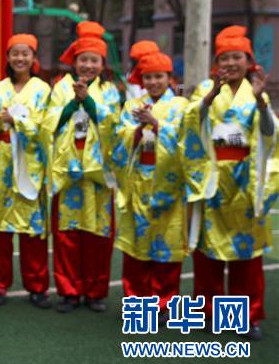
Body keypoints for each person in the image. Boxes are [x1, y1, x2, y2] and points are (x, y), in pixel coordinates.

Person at [181, 25, 278, 341]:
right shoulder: (205, 90)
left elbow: (269, 135)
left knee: (245, 259)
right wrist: (207, 100)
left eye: (237, 57)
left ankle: (245, 317)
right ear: (217, 62)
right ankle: (207, 312)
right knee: (208, 256)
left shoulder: (256, 93)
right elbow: (190, 126)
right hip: (213, 183)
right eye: (225, 57)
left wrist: (263, 105)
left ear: (248, 61)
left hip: (244, 184)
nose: (231, 63)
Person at [43, 21, 121, 314]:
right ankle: (69, 291)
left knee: (97, 235)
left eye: (94, 60)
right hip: (68, 172)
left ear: (102, 64)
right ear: (74, 62)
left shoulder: (110, 91)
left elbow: (114, 125)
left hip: (97, 173)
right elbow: (48, 124)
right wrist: (70, 104)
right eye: (83, 59)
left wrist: (87, 102)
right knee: (67, 235)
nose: (88, 65)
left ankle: (95, 291)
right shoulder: (61, 87)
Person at [0, 34, 52, 308]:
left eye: (25, 53)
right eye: (15, 53)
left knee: (31, 231)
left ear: (33, 57)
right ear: (7, 58)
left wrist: (17, 120)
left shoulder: (43, 89)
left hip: (29, 168)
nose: (20, 58)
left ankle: (37, 285)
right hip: (0, 167)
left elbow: (46, 127)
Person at [111, 51, 188, 312]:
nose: (154, 82)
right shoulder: (132, 105)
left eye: (159, 76)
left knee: (167, 245)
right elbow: (119, 142)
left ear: (169, 78)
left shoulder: (180, 106)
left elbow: (186, 144)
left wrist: (157, 126)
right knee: (136, 245)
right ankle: (137, 299)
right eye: (149, 77)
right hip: (138, 181)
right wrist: (135, 131)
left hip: (167, 182)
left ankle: (165, 301)